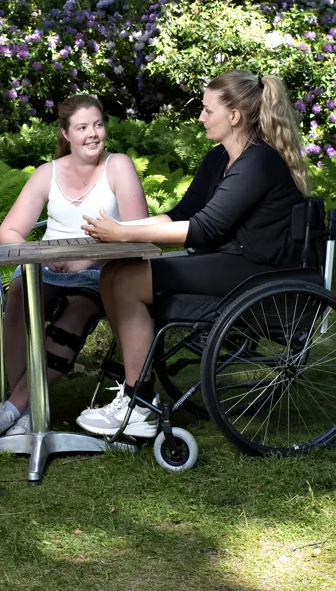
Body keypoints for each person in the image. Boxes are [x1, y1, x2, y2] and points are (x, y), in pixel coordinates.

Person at [76, 70, 309, 437]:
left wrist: (122, 233)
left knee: (129, 281)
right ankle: (137, 390)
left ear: (234, 116)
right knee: (114, 272)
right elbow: (184, 213)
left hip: (261, 271)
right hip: (233, 260)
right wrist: (120, 234)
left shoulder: (258, 162)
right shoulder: (220, 158)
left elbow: (205, 228)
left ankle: (139, 404)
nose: (200, 117)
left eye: (206, 110)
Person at [0, 94, 148, 458]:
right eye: (82, 127)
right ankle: (22, 408)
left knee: (78, 305)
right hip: (50, 269)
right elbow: (8, 232)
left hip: (102, 273)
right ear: (66, 134)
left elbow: (136, 234)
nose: (92, 134)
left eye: (98, 125)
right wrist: (38, 257)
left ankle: (11, 410)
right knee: (22, 288)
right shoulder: (48, 172)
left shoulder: (118, 166)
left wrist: (85, 261)